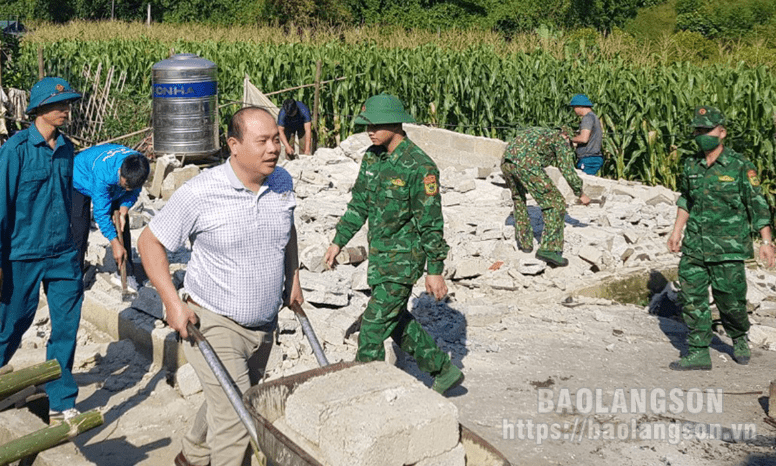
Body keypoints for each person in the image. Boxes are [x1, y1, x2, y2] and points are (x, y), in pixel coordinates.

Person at [138, 106, 303, 466]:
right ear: (233, 145)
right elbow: (150, 243)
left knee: (230, 396)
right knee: (238, 416)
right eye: (262, 141)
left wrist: (293, 277)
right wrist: (171, 302)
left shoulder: (281, 183)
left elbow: (287, 230)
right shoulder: (201, 192)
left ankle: (193, 454)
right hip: (212, 322)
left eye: (275, 139)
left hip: (263, 325)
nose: (273, 148)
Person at [323, 93, 463, 396]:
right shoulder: (372, 157)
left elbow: (431, 224)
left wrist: (434, 270)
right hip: (381, 258)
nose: (369, 132)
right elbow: (359, 204)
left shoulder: (419, 167)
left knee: (371, 331)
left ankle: (365, 394)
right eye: (365, 127)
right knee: (396, 320)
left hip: (404, 261)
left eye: (375, 126)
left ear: (396, 124)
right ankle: (443, 369)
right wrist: (338, 241)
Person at [0, 77, 84, 422]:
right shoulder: (16, 149)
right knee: (11, 325)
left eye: (68, 104)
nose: (66, 110)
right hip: (22, 253)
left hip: (62, 254)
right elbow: (1, 205)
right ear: (40, 109)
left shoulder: (66, 149)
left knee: (66, 328)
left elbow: (70, 202)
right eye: (59, 105)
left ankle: (62, 401)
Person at [667, 106, 774, 371]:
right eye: (698, 130)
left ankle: (739, 337)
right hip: (694, 245)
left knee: (731, 302)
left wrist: (766, 242)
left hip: (728, 248)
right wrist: (676, 231)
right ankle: (698, 351)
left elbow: (757, 204)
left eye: (707, 130)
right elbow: (686, 199)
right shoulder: (691, 164)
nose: (702, 135)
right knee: (692, 299)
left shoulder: (740, 166)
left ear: (722, 132)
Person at [501, 127, 591, 267]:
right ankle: (549, 249)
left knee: (519, 199)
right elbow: (567, 170)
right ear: (567, 136)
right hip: (527, 164)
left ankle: (525, 243)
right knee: (556, 202)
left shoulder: (541, 132)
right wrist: (580, 193)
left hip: (506, 162)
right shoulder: (561, 141)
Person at [72, 144, 150, 289]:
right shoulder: (104, 174)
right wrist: (114, 243)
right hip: (81, 176)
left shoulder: (140, 167)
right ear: (120, 172)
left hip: (110, 180)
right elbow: (100, 214)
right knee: (79, 229)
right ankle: (73, 275)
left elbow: (133, 192)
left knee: (122, 223)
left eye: (129, 187)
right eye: (125, 185)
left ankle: (124, 273)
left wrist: (124, 209)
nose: (126, 189)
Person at [569, 94, 604, 175]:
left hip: (588, 159)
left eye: (574, 107)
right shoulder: (594, 117)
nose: (574, 110)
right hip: (593, 158)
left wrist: (569, 138)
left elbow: (584, 139)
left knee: (583, 184)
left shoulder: (587, 118)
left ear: (580, 106)